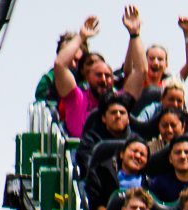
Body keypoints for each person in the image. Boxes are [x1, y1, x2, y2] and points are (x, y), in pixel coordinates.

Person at [54, 10, 148, 138]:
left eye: (108, 76)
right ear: (87, 77)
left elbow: (141, 71)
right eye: (98, 75)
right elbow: (60, 65)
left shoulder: (121, 100)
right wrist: (81, 37)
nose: (104, 80)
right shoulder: (76, 99)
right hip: (80, 154)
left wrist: (135, 34)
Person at [77, 90, 136, 177]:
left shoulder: (136, 141)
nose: (118, 116)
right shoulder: (90, 140)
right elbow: (88, 169)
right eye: (113, 112)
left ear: (128, 119)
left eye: (122, 113)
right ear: (104, 118)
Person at [86, 136, 149, 210]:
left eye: (142, 155)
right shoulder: (101, 173)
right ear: (122, 154)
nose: (138, 156)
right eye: (134, 151)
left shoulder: (148, 182)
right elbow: (94, 203)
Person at [35, 31, 88, 103]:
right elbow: (42, 102)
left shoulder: (91, 79)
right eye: (68, 60)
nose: (73, 64)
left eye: (76, 60)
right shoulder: (49, 79)